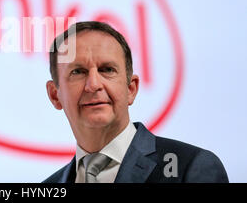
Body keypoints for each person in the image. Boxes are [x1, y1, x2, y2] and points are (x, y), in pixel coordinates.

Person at [43, 21, 228, 183]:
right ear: (54, 95)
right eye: (78, 72)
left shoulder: (190, 168)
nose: (93, 84)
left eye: (107, 69)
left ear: (131, 89)